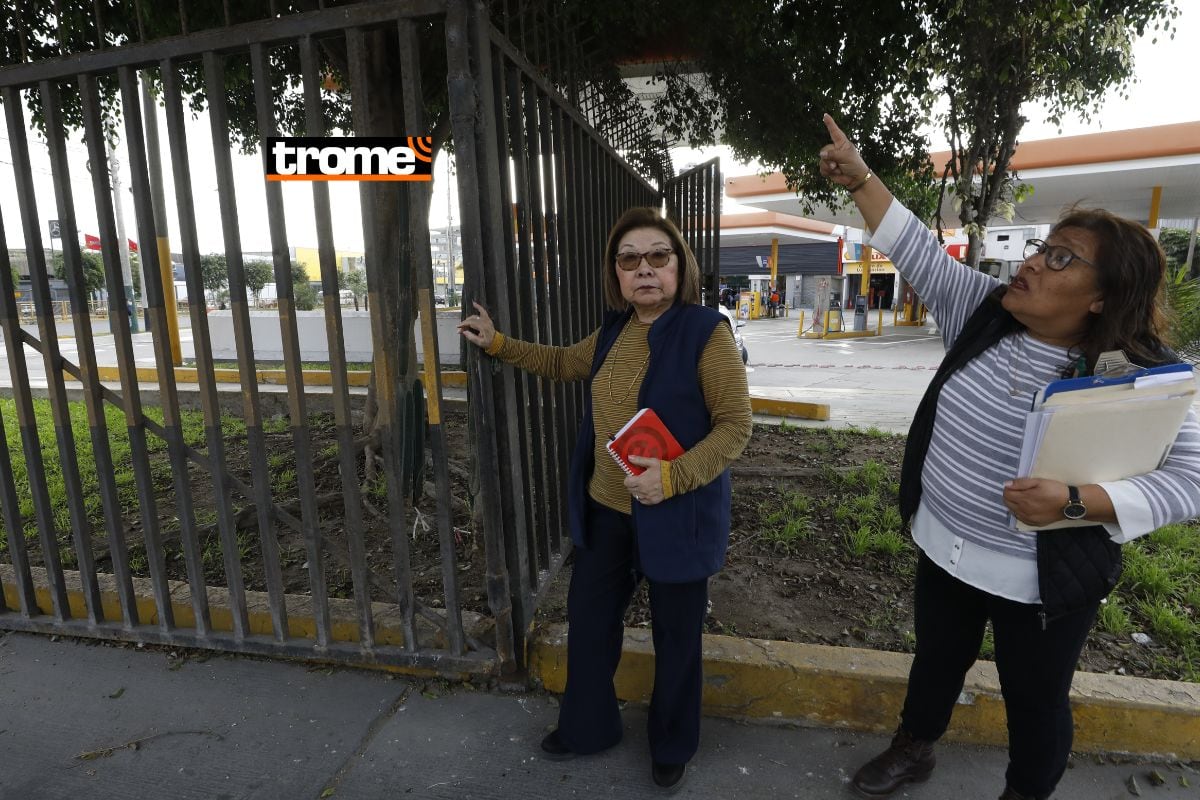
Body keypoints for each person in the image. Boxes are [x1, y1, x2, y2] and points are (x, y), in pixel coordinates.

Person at [817, 113, 1200, 800]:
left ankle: (1026, 792)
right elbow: (917, 249)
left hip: (1041, 581)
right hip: (946, 547)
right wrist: (862, 178)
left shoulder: (1140, 373)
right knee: (935, 663)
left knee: (1036, 700)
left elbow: (1191, 480)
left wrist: (1078, 504)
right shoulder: (986, 311)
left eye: (1060, 258)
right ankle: (915, 747)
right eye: (1040, 247)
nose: (1029, 262)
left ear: (1103, 295)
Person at [458, 207, 752, 791]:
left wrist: (671, 478)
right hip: (609, 510)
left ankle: (671, 744)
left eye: (657, 257)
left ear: (679, 266)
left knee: (676, 635)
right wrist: (498, 344)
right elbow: (565, 361)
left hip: (676, 514)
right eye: (629, 259)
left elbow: (735, 427)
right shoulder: (615, 330)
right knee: (591, 621)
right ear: (616, 274)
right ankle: (589, 727)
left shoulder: (705, 332)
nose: (644, 269)